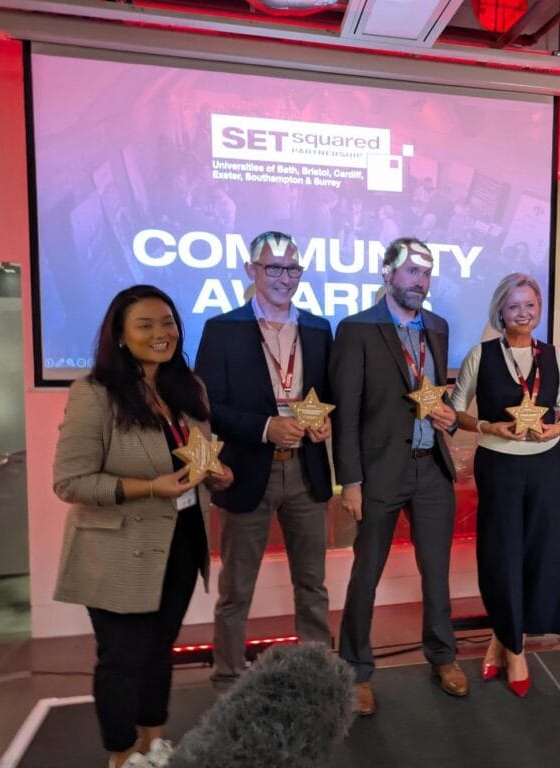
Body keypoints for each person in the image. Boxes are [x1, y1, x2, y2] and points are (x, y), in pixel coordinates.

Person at [52, 285, 233, 768]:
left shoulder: (189, 388)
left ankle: (153, 745)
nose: (161, 333)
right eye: (146, 324)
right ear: (120, 334)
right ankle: (121, 754)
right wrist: (151, 486)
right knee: (122, 660)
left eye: (168, 322)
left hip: (181, 541)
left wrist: (216, 473)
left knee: (159, 652)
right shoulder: (94, 394)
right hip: (117, 549)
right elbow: (71, 481)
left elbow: (198, 456)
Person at [330, 236, 465, 716]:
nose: (420, 281)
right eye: (411, 271)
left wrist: (449, 417)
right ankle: (355, 671)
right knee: (366, 573)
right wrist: (350, 481)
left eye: (426, 273)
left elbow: (435, 395)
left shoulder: (437, 326)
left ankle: (443, 656)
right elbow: (346, 413)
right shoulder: (356, 329)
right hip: (379, 472)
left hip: (432, 469)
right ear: (387, 273)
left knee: (437, 572)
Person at [195, 231, 335, 685]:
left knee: (312, 584)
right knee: (236, 588)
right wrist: (265, 427)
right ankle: (228, 672)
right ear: (251, 270)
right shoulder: (222, 329)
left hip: (307, 471)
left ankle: (317, 672)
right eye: (273, 267)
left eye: (292, 269)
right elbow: (208, 405)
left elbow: (324, 395)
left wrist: (323, 422)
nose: (284, 277)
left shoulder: (318, 328)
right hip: (246, 471)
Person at [450, 273, 560, 698]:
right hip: (499, 465)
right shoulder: (481, 354)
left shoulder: (555, 356)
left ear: (539, 308)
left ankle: (501, 638)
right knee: (502, 554)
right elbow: (456, 412)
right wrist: (488, 426)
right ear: (500, 312)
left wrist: (559, 428)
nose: (523, 314)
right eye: (514, 307)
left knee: (540, 553)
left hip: (546, 465)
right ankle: (517, 651)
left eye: (530, 305)